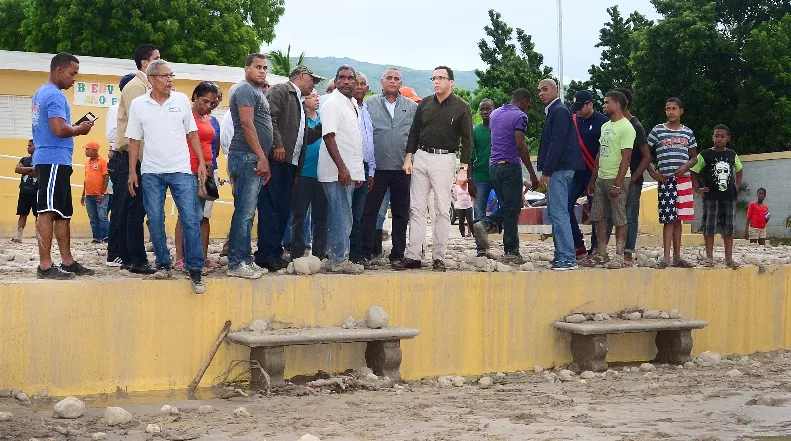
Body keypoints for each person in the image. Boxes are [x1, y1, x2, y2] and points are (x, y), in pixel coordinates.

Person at [125, 59, 207, 294]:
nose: (170, 80)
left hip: (181, 170)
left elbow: (192, 132)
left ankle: (195, 269)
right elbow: (133, 140)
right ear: (151, 79)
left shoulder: (181, 100)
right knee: (155, 219)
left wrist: (200, 162)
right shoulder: (139, 105)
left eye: (172, 75)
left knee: (191, 218)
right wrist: (132, 171)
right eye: (165, 76)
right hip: (151, 171)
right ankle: (163, 263)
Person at [396, 66, 473, 272]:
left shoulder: (462, 107)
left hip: (444, 159)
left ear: (451, 82)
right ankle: (414, 255)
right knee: (416, 207)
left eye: (441, 78)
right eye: (434, 78)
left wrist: (464, 168)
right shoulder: (426, 104)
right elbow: (414, 132)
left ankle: (438, 257)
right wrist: (409, 157)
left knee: (441, 209)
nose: (436, 81)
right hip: (421, 156)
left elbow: (467, 140)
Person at [31, 52, 95, 279]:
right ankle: (45, 266)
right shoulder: (54, 96)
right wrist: (80, 129)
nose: (74, 78)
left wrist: (73, 128)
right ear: (59, 71)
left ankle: (67, 261)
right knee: (48, 211)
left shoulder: (41, 93)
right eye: (72, 73)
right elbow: (59, 129)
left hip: (55, 160)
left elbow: (53, 128)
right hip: (52, 160)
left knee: (62, 213)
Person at [255, 65, 322, 271]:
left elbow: (304, 137)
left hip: (291, 165)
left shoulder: (300, 103)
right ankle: (265, 253)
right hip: (277, 159)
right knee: (270, 208)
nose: (313, 85)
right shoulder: (281, 90)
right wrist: (278, 145)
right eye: (312, 80)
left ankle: (274, 253)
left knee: (283, 210)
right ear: (302, 76)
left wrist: (324, 126)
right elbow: (269, 119)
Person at [472, 89, 540, 264]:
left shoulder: (495, 114)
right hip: (510, 166)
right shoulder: (520, 116)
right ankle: (488, 226)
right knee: (513, 206)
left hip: (493, 167)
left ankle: (511, 250)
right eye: (528, 103)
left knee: (511, 210)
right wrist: (532, 173)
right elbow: (520, 144)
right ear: (525, 101)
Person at [111, 44, 160, 273]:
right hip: (131, 158)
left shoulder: (146, 87)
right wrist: (143, 162)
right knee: (132, 208)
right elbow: (135, 129)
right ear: (144, 62)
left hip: (139, 157)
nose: (161, 63)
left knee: (133, 208)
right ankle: (133, 258)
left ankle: (131, 257)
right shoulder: (135, 87)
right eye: (156, 58)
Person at [361, 68, 418, 265]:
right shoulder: (369, 105)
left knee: (401, 213)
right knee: (370, 211)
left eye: (396, 79)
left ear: (401, 83)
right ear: (382, 81)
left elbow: (415, 136)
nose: (393, 81)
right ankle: (366, 252)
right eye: (389, 78)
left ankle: (397, 254)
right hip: (376, 169)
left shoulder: (411, 107)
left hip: (402, 169)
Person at [226, 53, 272, 279]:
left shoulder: (256, 91)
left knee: (248, 211)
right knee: (244, 212)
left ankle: (245, 258)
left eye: (265, 68)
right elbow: (246, 124)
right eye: (258, 67)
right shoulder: (245, 90)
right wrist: (261, 157)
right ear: (246, 68)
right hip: (245, 156)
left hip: (253, 157)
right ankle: (236, 262)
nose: (262, 71)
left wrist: (264, 160)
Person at [319, 65, 366, 274]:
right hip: (336, 171)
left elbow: (351, 140)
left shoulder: (351, 104)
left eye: (350, 78)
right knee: (341, 216)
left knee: (341, 214)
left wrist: (357, 172)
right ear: (336, 81)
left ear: (355, 82)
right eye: (342, 78)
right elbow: (329, 136)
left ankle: (333, 257)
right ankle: (339, 260)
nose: (346, 81)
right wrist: (343, 168)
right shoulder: (332, 103)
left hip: (348, 171)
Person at [536, 79, 586, 271]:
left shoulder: (559, 111)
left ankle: (567, 257)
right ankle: (561, 255)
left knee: (559, 212)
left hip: (560, 168)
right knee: (556, 211)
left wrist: (547, 172)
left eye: (545, 89)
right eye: (539, 90)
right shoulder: (555, 111)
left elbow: (556, 143)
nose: (541, 93)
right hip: (560, 168)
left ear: (556, 90)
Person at [583, 91, 635, 269]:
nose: (603, 106)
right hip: (601, 178)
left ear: (617, 105)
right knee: (598, 216)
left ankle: (619, 255)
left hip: (616, 178)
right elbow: (600, 153)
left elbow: (626, 158)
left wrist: (617, 184)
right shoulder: (605, 126)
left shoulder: (627, 127)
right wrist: (593, 179)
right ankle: (601, 252)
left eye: (606, 103)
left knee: (619, 217)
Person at [173, 82, 221, 272]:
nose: (208, 106)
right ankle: (180, 256)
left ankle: (199, 255)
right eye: (205, 101)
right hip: (189, 168)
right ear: (195, 97)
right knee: (186, 214)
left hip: (207, 171)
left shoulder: (208, 118)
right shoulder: (186, 116)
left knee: (201, 215)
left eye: (212, 102)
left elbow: (213, 144)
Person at [646, 97, 698, 268]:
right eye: (668, 108)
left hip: (683, 180)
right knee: (668, 219)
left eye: (674, 108)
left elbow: (694, 158)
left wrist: (685, 167)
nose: (670, 112)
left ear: (681, 111)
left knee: (679, 220)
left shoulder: (688, 132)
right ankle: (666, 258)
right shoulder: (658, 131)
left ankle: (677, 257)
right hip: (666, 180)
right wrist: (653, 173)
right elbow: (645, 153)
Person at [691, 124, 743, 268]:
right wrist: (697, 188)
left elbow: (739, 170)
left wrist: (737, 185)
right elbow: (694, 170)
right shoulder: (705, 154)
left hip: (729, 197)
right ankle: (709, 257)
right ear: (712, 137)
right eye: (716, 136)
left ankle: (729, 259)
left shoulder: (732, 154)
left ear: (728, 138)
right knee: (709, 227)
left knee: (729, 228)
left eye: (722, 136)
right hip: (711, 197)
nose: (719, 139)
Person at [613, 87, 651, 265]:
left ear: (621, 104)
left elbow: (646, 156)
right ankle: (608, 251)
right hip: (612, 179)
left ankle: (627, 252)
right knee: (609, 216)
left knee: (630, 215)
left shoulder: (635, 126)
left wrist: (634, 178)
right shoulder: (610, 124)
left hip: (631, 181)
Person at [568, 90, 608, 256]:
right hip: (576, 173)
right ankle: (578, 243)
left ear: (590, 104)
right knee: (565, 205)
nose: (577, 110)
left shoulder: (603, 122)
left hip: (595, 173)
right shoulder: (573, 121)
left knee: (596, 211)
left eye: (581, 106)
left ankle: (596, 248)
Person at [291, 89, 327, 260]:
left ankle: (319, 253)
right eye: (312, 96)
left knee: (321, 217)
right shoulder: (300, 119)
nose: (317, 98)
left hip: (322, 174)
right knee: (299, 215)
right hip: (304, 174)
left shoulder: (323, 117)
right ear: (304, 100)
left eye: (317, 95)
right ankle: (297, 252)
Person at [105, 73, 137, 264]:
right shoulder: (116, 109)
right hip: (121, 157)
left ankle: (124, 249)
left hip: (130, 158)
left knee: (128, 206)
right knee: (119, 206)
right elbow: (111, 134)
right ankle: (114, 252)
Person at [350, 73, 376, 265]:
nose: (359, 87)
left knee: (359, 214)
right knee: (346, 213)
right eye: (356, 83)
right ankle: (343, 253)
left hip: (366, 168)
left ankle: (356, 255)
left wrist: (372, 171)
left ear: (367, 88)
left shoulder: (366, 110)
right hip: (350, 167)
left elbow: (370, 143)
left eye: (363, 84)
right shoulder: (347, 107)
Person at [468, 99, 495, 257]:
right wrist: (470, 180)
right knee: (478, 214)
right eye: (482, 109)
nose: (485, 112)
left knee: (506, 210)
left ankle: (510, 246)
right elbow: (470, 157)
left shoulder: (500, 129)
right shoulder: (475, 131)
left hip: (499, 176)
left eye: (488, 109)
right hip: (480, 177)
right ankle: (480, 249)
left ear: (494, 109)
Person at [80, 141, 110, 243]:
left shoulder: (103, 162)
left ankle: (106, 236)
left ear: (93, 150)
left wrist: (101, 194)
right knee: (93, 218)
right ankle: (97, 237)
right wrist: (83, 194)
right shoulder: (87, 163)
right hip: (89, 195)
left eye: (87, 149)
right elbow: (86, 179)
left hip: (101, 195)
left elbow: (106, 178)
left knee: (102, 216)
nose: (85, 151)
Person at [13, 139, 37, 243]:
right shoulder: (24, 159)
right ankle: (19, 237)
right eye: (28, 146)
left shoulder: (41, 160)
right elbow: (17, 169)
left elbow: (38, 172)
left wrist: (25, 170)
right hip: (24, 191)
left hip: (37, 191)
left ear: (36, 147)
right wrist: (31, 169)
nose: (28, 147)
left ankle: (39, 238)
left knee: (39, 216)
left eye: (30, 146)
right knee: (22, 214)